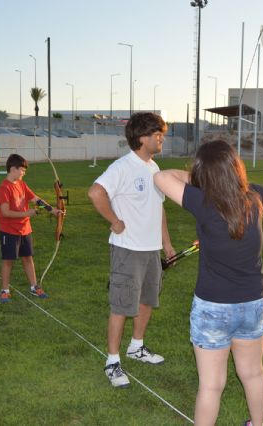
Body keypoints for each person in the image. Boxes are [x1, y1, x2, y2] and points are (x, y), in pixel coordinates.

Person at [153, 140, 263, 426]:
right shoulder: (254, 196)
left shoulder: (202, 202)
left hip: (213, 306)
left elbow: (161, 177)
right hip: (252, 303)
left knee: (211, 385)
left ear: (206, 175)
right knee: (252, 373)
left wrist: (202, 180)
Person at [88, 112, 175, 388]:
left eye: (162, 133)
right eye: (157, 134)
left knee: (147, 299)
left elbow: (158, 207)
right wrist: (115, 221)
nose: (161, 138)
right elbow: (95, 192)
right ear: (142, 138)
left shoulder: (153, 167)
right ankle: (112, 361)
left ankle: (136, 347)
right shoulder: (123, 167)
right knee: (122, 304)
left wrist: (167, 243)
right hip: (128, 250)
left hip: (150, 250)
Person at [0, 154, 63, 303]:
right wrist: (28, 213)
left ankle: (34, 287)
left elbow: (36, 200)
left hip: (25, 229)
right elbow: (5, 212)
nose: (23, 173)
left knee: (28, 258)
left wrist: (51, 209)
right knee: (8, 261)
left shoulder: (22, 184)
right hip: (9, 230)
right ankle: (4, 290)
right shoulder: (4, 188)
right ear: (13, 169)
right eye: (22, 170)